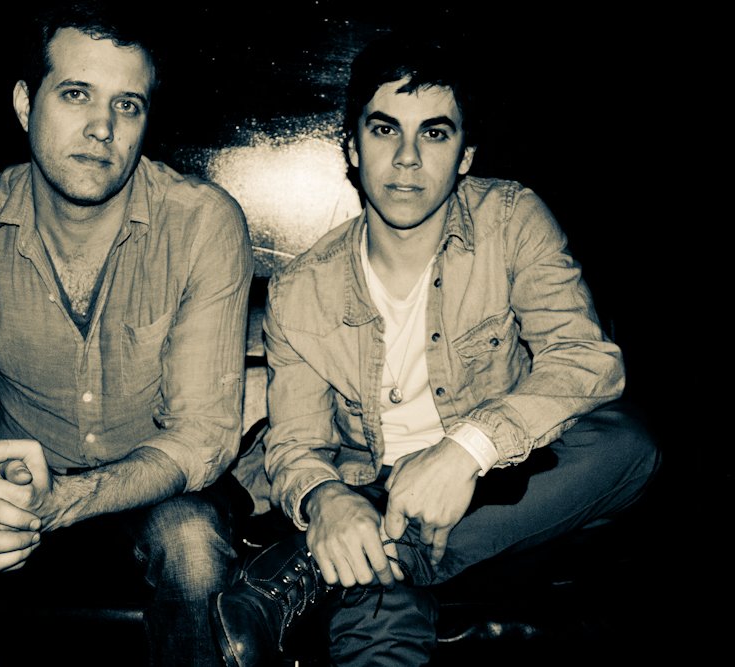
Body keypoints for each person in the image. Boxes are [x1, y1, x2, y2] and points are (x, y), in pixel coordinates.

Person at [211, 31, 659, 667]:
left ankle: (340, 559)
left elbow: (586, 360)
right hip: (380, 496)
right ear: (352, 147)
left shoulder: (512, 220)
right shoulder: (301, 291)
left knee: (628, 447)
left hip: (506, 490)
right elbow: (295, 445)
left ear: (466, 154)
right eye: (385, 130)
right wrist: (327, 500)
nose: (407, 159)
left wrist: (465, 450)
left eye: (435, 133)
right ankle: (378, 549)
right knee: (373, 591)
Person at [0, 3, 253, 666]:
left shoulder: (202, 222)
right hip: (7, 477)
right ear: (24, 103)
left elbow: (201, 436)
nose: (102, 128)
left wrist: (65, 500)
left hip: (151, 487)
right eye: (76, 94)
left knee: (193, 546)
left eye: (127, 105)